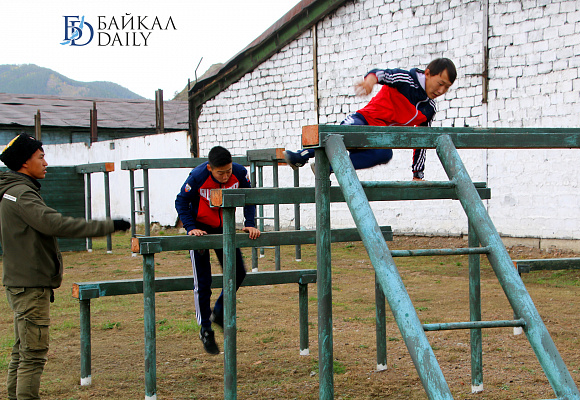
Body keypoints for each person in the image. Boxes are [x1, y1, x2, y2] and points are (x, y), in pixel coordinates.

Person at [0, 133, 131, 400]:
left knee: (22, 350)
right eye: (41, 157)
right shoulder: (22, 194)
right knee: (33, 354)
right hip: (30, 285)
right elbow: (57, 224)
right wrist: (108, 226)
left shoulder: (12, 191)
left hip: (20, 282)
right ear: (25, 163)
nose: (46, 163)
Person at [285, 57, 457, 180]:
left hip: (378, 137)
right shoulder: (406, 79)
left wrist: (417, 174)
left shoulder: (429, 109)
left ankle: (328, 168)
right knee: (343, 133)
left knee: (384, 153)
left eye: (447, 88)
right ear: (427, 74)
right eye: (440, 83)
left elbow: (423, 141)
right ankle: (302, 156)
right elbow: (381, 74)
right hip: (363, 120)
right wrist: (369, 81)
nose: (441, 91)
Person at [175, 146, 260, 355]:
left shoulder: (240, 173)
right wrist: (190, 227)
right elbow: (181, 201)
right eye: (220, 173)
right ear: (210, 168)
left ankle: (219, 312)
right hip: (199, 230)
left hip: (225, 228)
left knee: (238, 272)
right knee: (203, 282)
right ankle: (205, 328)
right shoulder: (197, 177)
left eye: (228, 171)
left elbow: (249, 198)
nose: (225, 176)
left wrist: (250, 222)